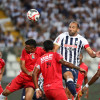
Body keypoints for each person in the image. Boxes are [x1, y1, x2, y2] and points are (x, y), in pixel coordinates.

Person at [53, 21, 100, 98]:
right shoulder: (62, 36)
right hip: (63, 64)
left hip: (75, 68)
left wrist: (95, 54)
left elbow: (91, 53)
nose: (70, 29)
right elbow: (54, 50)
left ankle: (73, 96)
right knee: (68, 77)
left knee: (68, 92)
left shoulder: (82, 40)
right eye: (70, 27)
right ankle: (76, 95)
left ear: (78, 29)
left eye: (73, 27)